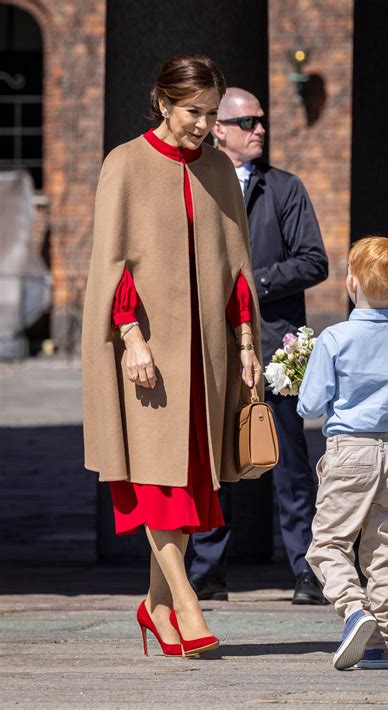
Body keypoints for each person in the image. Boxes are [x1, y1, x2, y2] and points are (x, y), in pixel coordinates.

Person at [81, 55, 264, 658]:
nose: (205, 125)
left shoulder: (217, 167)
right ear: (162, 102)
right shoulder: (125, 164)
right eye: (194, 112)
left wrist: (244, 347)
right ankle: (186, 603)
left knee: (189, 485)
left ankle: (154, 607)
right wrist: (130, 341)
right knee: (157, 483)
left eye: (212, 114)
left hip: (205, 358)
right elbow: (113, 265)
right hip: (148, 355)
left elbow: (236, 268)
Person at [187, 88, 329, 605]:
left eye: (261, 121)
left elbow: (315, 261)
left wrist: (253, 282)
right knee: (212, 459)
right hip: (214, 344)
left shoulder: (285, 189)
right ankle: (208, 569)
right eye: (247, 122)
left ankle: (307, 570)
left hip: (274, 348)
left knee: (289, 462)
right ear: (217, 129)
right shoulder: (199, 183)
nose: (259, 130)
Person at [297, 236, 388, 670]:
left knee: (327, 544)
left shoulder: (335, 338)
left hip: (348, 451)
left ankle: (355, 610)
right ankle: (379, 645)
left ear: (351, 281)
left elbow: (311, 404)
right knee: (384, 551)